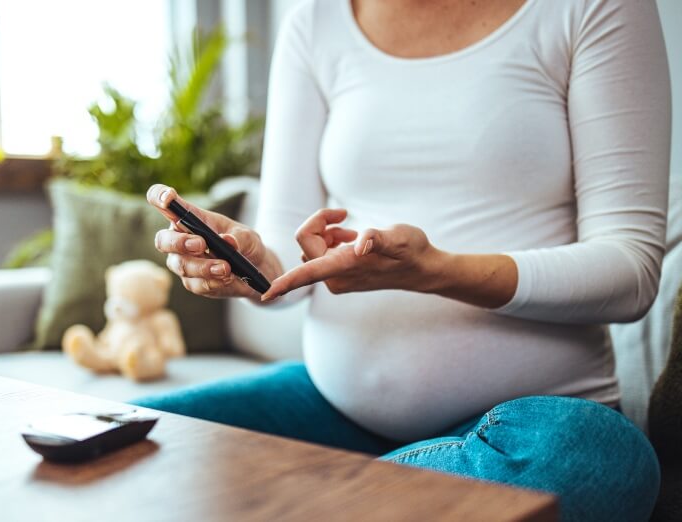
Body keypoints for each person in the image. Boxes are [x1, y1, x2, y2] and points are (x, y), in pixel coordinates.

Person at [138, 0, 672, 519]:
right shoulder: (315, 23)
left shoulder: (593, 7)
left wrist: (436, 271)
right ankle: (384, 496)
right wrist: (254, 262)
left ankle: (309, 495)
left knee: (597, 459)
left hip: (530, 429)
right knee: (128, 437)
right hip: (334, 408)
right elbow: (287, 267)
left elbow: (631, 270)